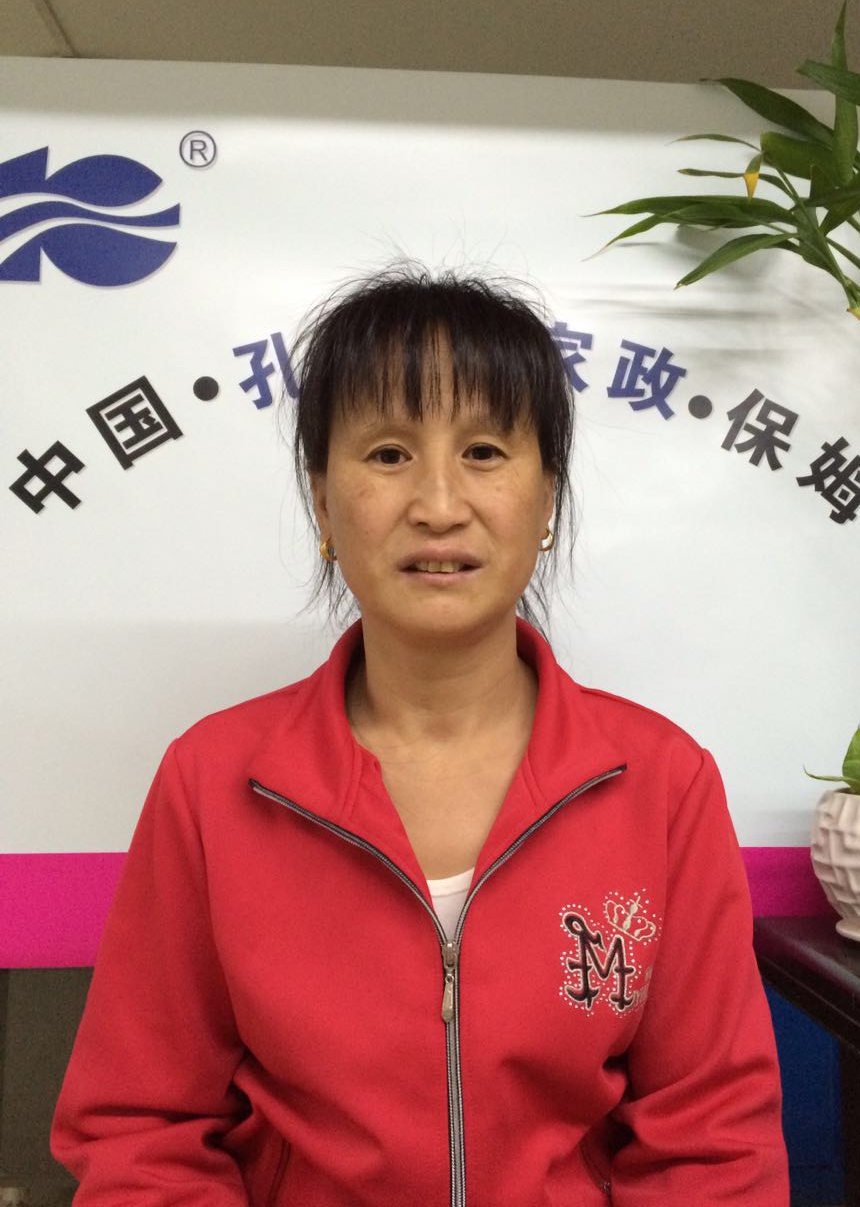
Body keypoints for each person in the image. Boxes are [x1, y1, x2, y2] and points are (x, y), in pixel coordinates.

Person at [52, 265, 790, 1204]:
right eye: (390, 454)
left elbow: (714, 1145)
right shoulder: (215, 781)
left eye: (484, 451)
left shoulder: (660, 781)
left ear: (547, 499)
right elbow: (140, 1133)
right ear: (323, 501)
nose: (439, 505)